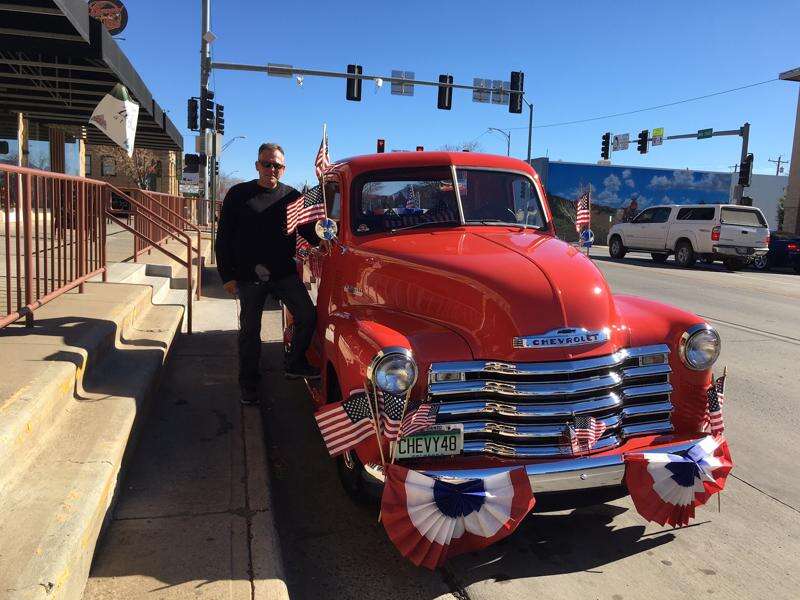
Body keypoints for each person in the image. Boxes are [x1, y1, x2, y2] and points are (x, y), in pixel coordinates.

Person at [216, 142, 321, 405]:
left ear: (283, 169)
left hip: (283, 273)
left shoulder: (293, 197)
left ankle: (294, 362)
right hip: (249, 276)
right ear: (257, 165)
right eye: (267, 163)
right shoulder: (238, 194)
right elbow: (224, 237)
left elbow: (308, 233)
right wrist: (226, 275)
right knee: (250, 331)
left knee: (307, 315)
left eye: (277, 165)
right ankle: (248, 384)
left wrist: (326, 229)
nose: (271, 169)